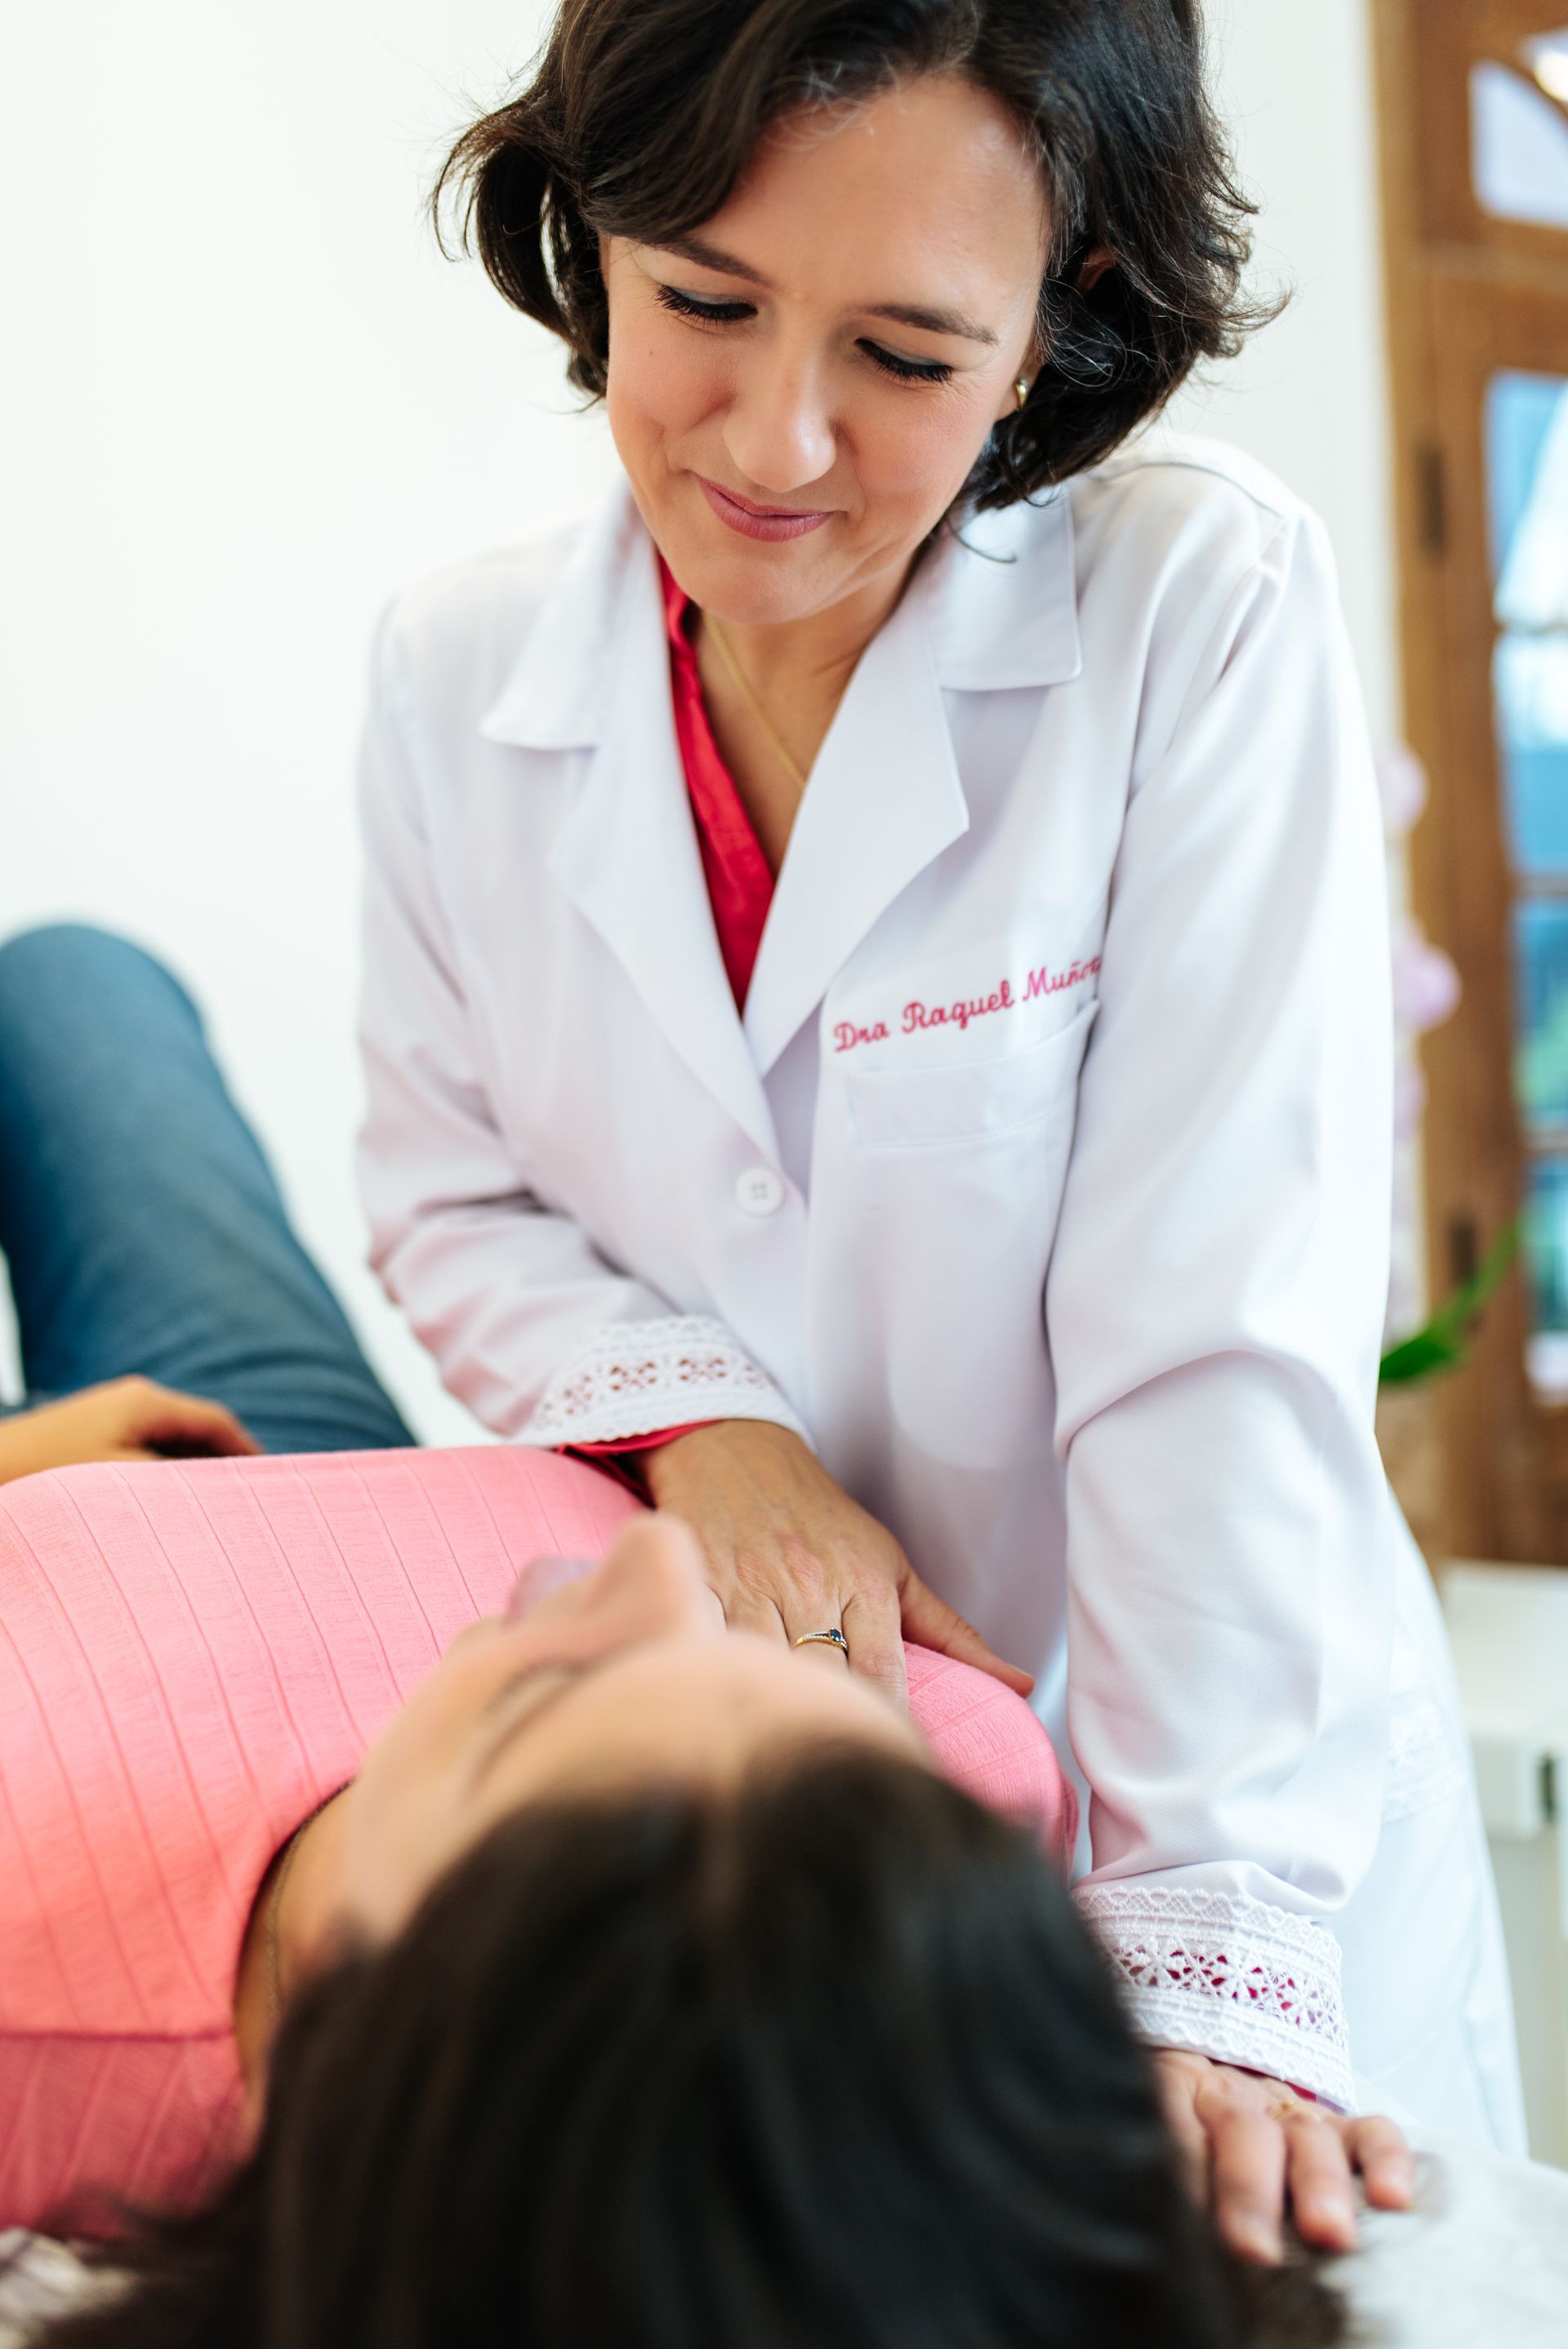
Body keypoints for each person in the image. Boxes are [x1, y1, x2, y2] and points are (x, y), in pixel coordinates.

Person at [353, 0, 1524, 2195]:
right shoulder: (453, 677)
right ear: (593, 233)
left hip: (1216, 1782)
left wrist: (1207, 1959)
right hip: (798, 1855)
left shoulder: (1193, 604)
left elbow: (1214, 1322)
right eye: (704, 299)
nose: (777, 439)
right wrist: (713, 1427)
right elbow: (449, 1190)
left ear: (1061, 322)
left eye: (903, 354)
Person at [0, 926, 1370, 2348]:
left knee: (65, 992)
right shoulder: (912, 1816)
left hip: (92, 1531)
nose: (656, 1557)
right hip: (334, 1503)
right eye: (744, 1651)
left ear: (360, 1998)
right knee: (76, 986)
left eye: (531, 1709)